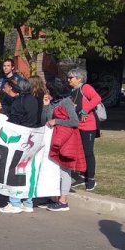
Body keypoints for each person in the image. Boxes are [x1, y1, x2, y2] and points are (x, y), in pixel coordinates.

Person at [38, 78, 84, 212]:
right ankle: (53, 198)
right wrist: (46, 106)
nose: (47, 91)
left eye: (49, 89)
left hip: (66, 140)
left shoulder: (66, 102)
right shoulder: (53, 102)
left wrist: (57, 121)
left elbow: (74, 121)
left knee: (65, 169)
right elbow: (44, 121)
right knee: (53, 169)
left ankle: (63, 201)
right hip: (54, 139)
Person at [0, 79, 39, 214]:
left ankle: (14, 202)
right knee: (27, 170)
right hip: (32, 137)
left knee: (14, 169)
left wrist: (0, 119)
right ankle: (28, 202)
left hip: (20, 137)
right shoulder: (33, 100)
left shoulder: (18, 102)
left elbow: (15, 121)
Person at [68, 67, 102, 191]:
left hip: (88, 126)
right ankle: (82, 176)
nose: (69, 80)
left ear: (79, 78)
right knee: (79, 152)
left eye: (71, 77)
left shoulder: (86, 88)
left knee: (88, 152)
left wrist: (85, 110)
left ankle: (91, 179)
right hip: (77, 125)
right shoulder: (73, 91)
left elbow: (97, 99)